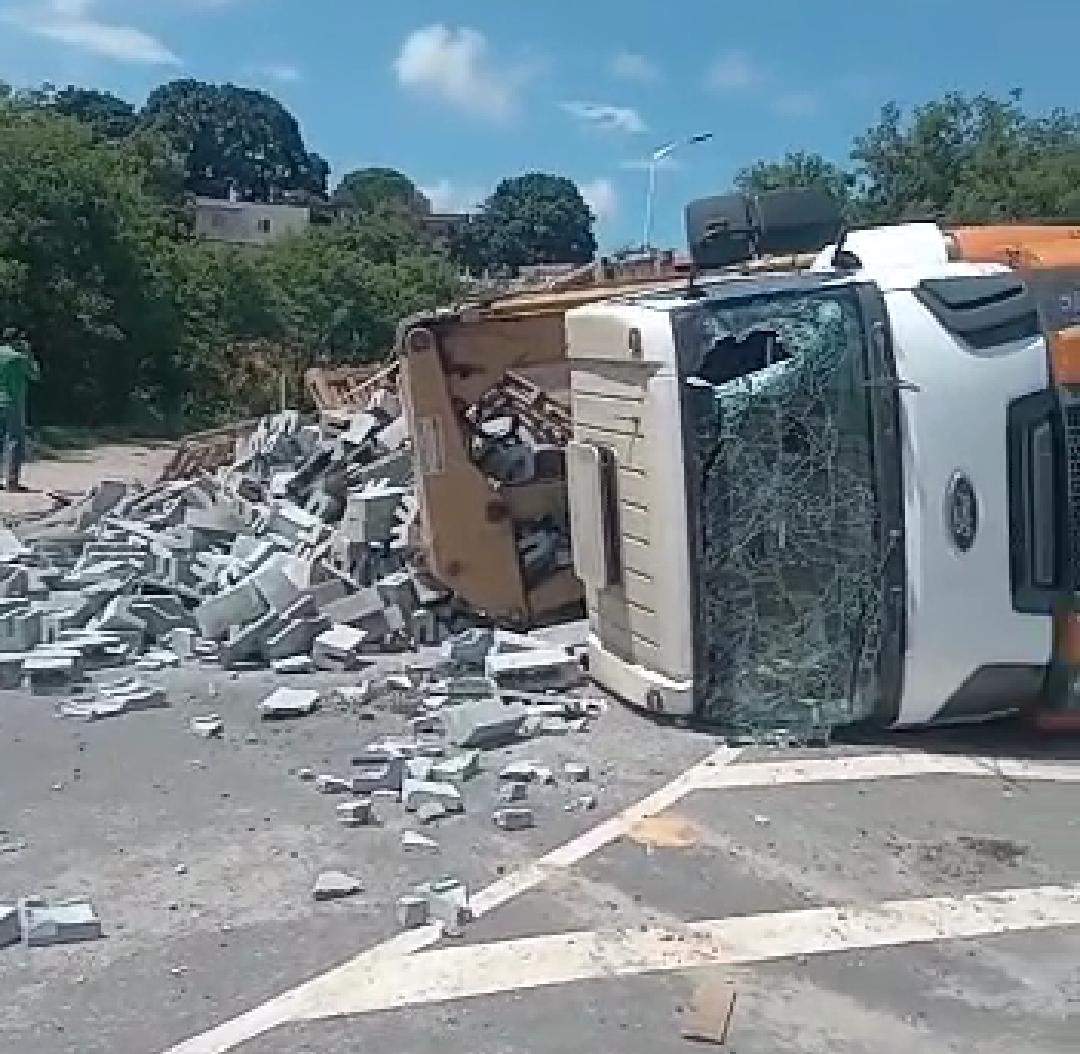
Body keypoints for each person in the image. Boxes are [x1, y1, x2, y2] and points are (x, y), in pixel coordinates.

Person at [0, 331, 40, 491]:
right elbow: (35, 375)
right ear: (17, 340)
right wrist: (29, 354)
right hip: (12, 402)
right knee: (14, 441)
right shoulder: (18, 358)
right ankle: (11, 482)